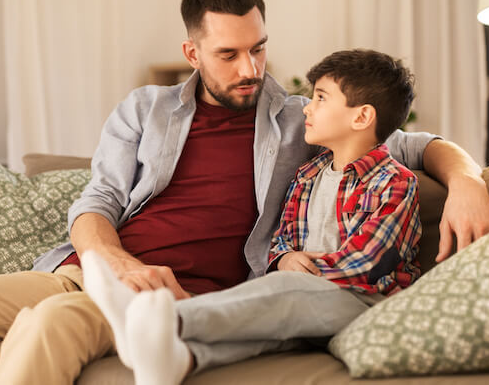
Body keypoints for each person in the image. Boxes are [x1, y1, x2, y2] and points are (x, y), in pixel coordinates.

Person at [0, 0, 489, 385]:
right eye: (229, 54)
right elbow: (98, 200)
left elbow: (411, 143)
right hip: (87, 271)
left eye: (259, 48)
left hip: (183, 295)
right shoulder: (145, 109)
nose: (250, 68)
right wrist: (112, 259)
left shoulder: (301, 121)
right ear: (193, 52)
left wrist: (469, 180)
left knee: (54, 324)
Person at [83, 48, 424, 385]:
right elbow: (283, 237)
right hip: (306, 304)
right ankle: (179, 359)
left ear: (361, 118)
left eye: (321, 98)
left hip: (364, 302)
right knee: (266, 333)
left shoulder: (394, 183)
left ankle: (160, 318)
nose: (308, 107)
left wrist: (301, 276)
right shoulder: (307, 175)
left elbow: (367, 262)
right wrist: (284, 258)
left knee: (285, 294)